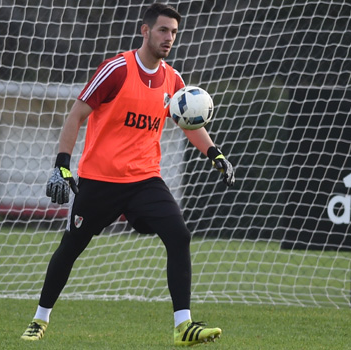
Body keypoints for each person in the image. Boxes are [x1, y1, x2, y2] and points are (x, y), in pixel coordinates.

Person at [21, 3, 235, 346]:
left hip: (144, 180)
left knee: (179, 235)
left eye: (174, 32)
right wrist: (61, 166)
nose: (169, 38)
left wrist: (215, 153)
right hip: (99, 180)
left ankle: (184, 326)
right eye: (163, 30)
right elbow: (75, 116)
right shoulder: (116, 70)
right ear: (145, 31)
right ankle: (40, 318)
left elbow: (188, 124)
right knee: (71, 248)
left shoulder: (173, 80)